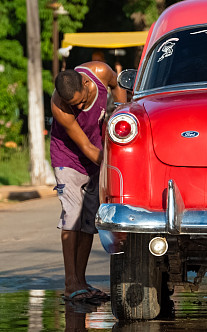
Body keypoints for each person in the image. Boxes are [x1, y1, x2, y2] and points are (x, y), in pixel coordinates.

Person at [50, 61, 126, 303]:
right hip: (69, 158)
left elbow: (118, 87)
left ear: (85, 83)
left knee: (88, 221)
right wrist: (116, 163)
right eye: (75, 106)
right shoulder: (59, 107)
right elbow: (84, 146)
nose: (81, 107)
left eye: (81, 102)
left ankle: (80, 281)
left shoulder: (100, 73)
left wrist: (123, 111)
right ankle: (70, 283)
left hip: (98, 152)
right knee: (72, 215)